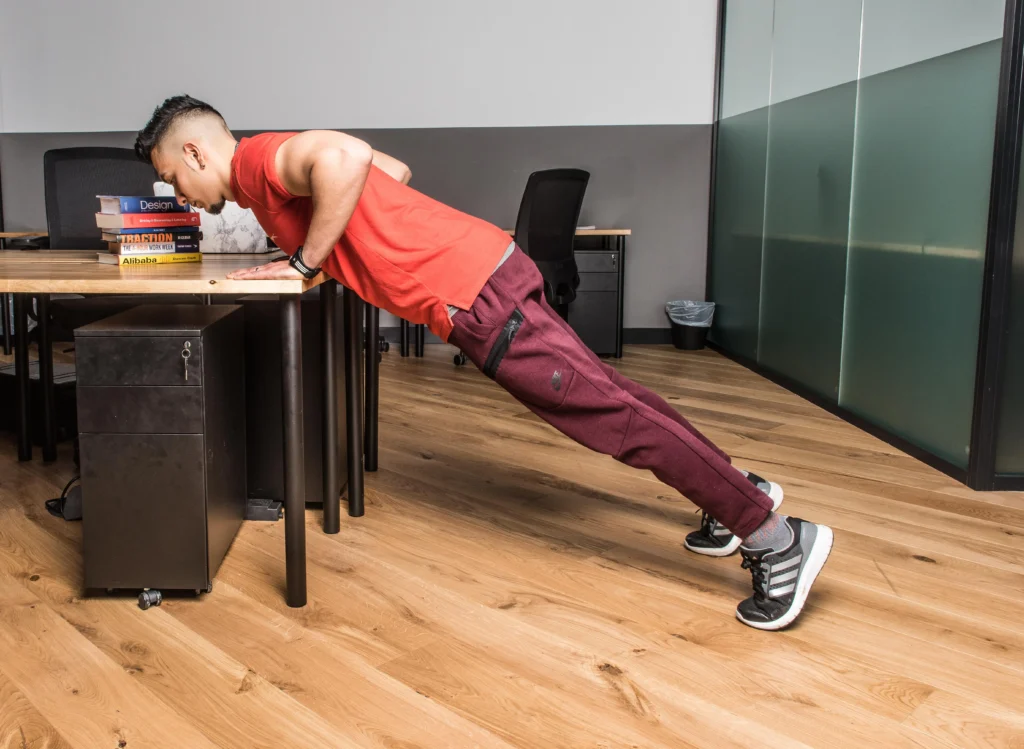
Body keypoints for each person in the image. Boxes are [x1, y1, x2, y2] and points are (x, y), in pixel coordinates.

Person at [134, 95, 833, 631]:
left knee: (614, 418)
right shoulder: (267, 174)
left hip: (477, 295)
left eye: (172, 178)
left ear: (195, 153)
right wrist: (315, 261)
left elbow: (345, 163)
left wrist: (304, 261)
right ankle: (740, 491)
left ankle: (778, 539)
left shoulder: (257, 161)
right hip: (482, 276)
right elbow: (390, 171)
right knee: (619, 400)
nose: (180, 197)